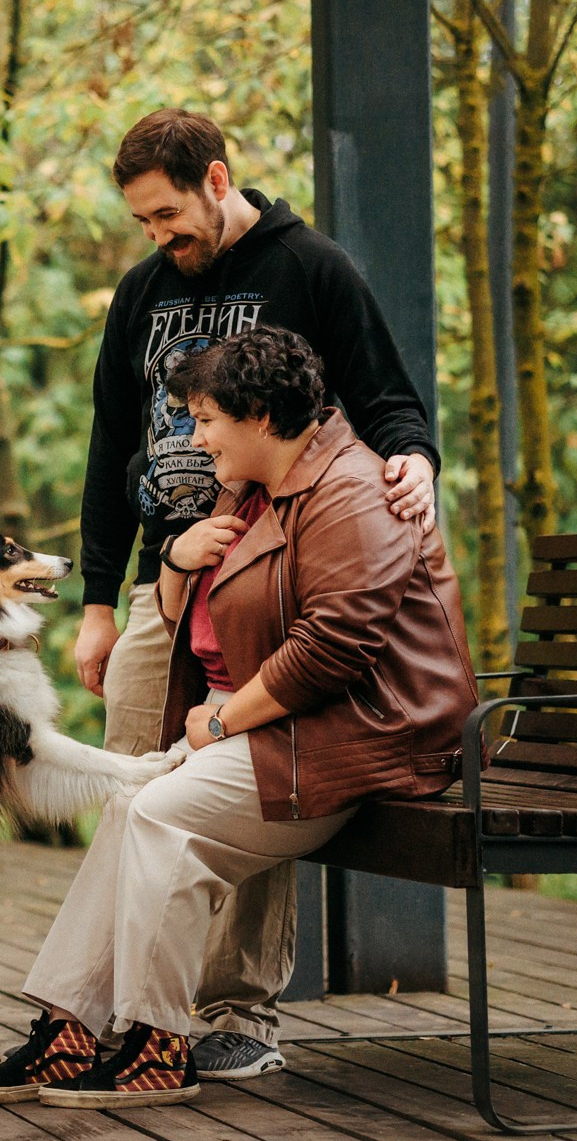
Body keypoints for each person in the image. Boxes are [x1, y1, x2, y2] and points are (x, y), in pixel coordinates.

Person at [0, 327, 476, 1108]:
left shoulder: (356, 493)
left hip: (367, 740)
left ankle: (156, 1042)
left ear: (260, 414)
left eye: (206, 418)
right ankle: (67, 1029)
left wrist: (223, 721)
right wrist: (173, 559)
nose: (194, 437)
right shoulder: (248, 488)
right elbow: (190, 614)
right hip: (291, 730)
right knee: (133, 801)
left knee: (157, 811)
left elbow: (332, 652)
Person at [74, 108, 441, 1079]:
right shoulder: (141, 292)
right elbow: (108, 442)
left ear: (216, 178)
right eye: (143, 223)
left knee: (247, 774)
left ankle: (237, 1013)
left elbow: (387, 395)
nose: (159, 236)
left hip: (269, 576)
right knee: (132, 788)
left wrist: (414, 461)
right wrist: (97, 600)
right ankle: (122, 1008)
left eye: (167, 215)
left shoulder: (309, 267)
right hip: (167, 575)